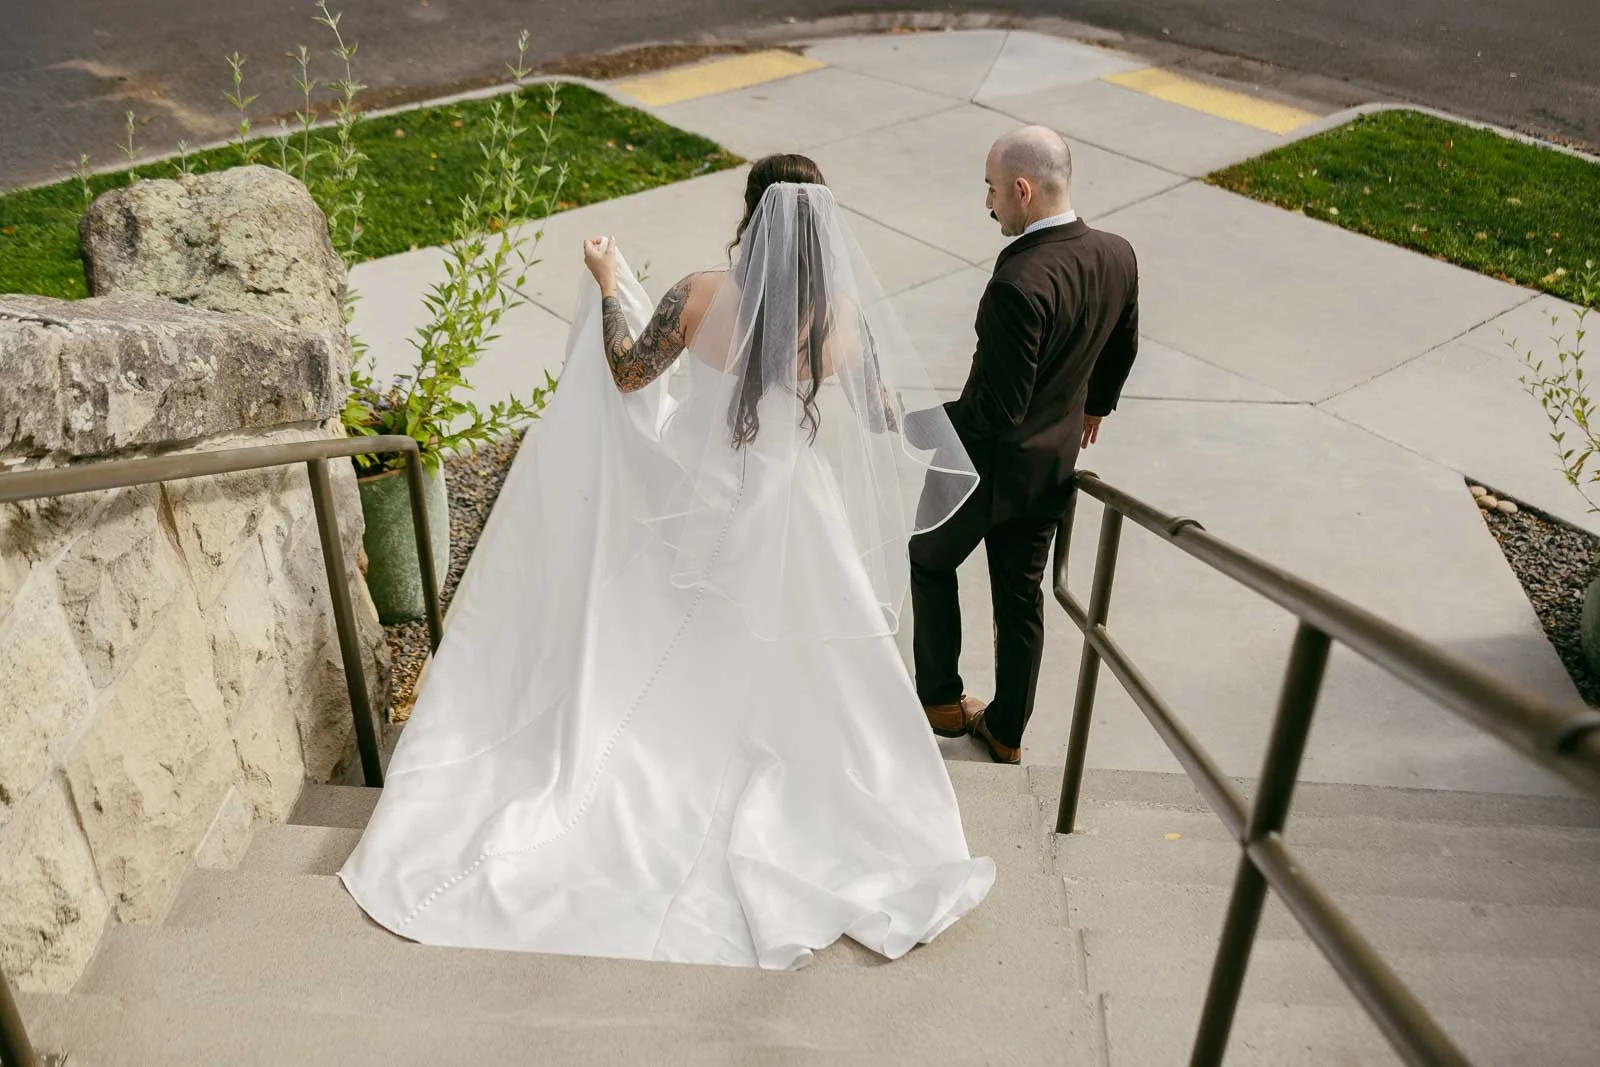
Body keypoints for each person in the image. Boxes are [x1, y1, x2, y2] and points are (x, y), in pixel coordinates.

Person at [339, 155, 996, 970]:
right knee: (817, 663)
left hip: (697, 501)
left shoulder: (698, 295)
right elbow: (875, 412)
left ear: (753, 217)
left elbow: (625, 372)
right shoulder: (843, 320)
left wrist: (611, 281)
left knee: (660, 653)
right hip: (797, 518)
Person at [912, 126, 1140, 765]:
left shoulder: (1018, 282)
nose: (988, 204)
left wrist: (915, 424)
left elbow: (996, 410)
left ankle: (942, 700)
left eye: (991, 190)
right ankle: (1008, 732)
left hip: (984, 472)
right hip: (1052, 469)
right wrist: (1095, 405)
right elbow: (1123, 343)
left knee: (929, 563)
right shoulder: (1117, 254)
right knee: (1020, 600)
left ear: (1022, 189)